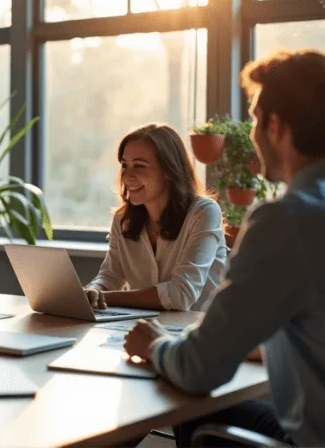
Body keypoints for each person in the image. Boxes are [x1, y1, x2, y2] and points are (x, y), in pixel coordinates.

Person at [124, 49, 325, 446]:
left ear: (276, 127)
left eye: (255, 119)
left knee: (197, 407)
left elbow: (198, 370)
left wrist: (155, 345)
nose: (252, 134)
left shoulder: (287, 220)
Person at [84, 124, 228, 312]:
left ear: (169, 170)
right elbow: (111, 275)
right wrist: (93, 291)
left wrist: (106, 298)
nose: (127, 177)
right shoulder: (123, 219)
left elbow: (180, 295)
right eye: (125, 165)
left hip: (201, 333)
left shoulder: (204, 213)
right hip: (144, 329)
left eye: (140, 166)